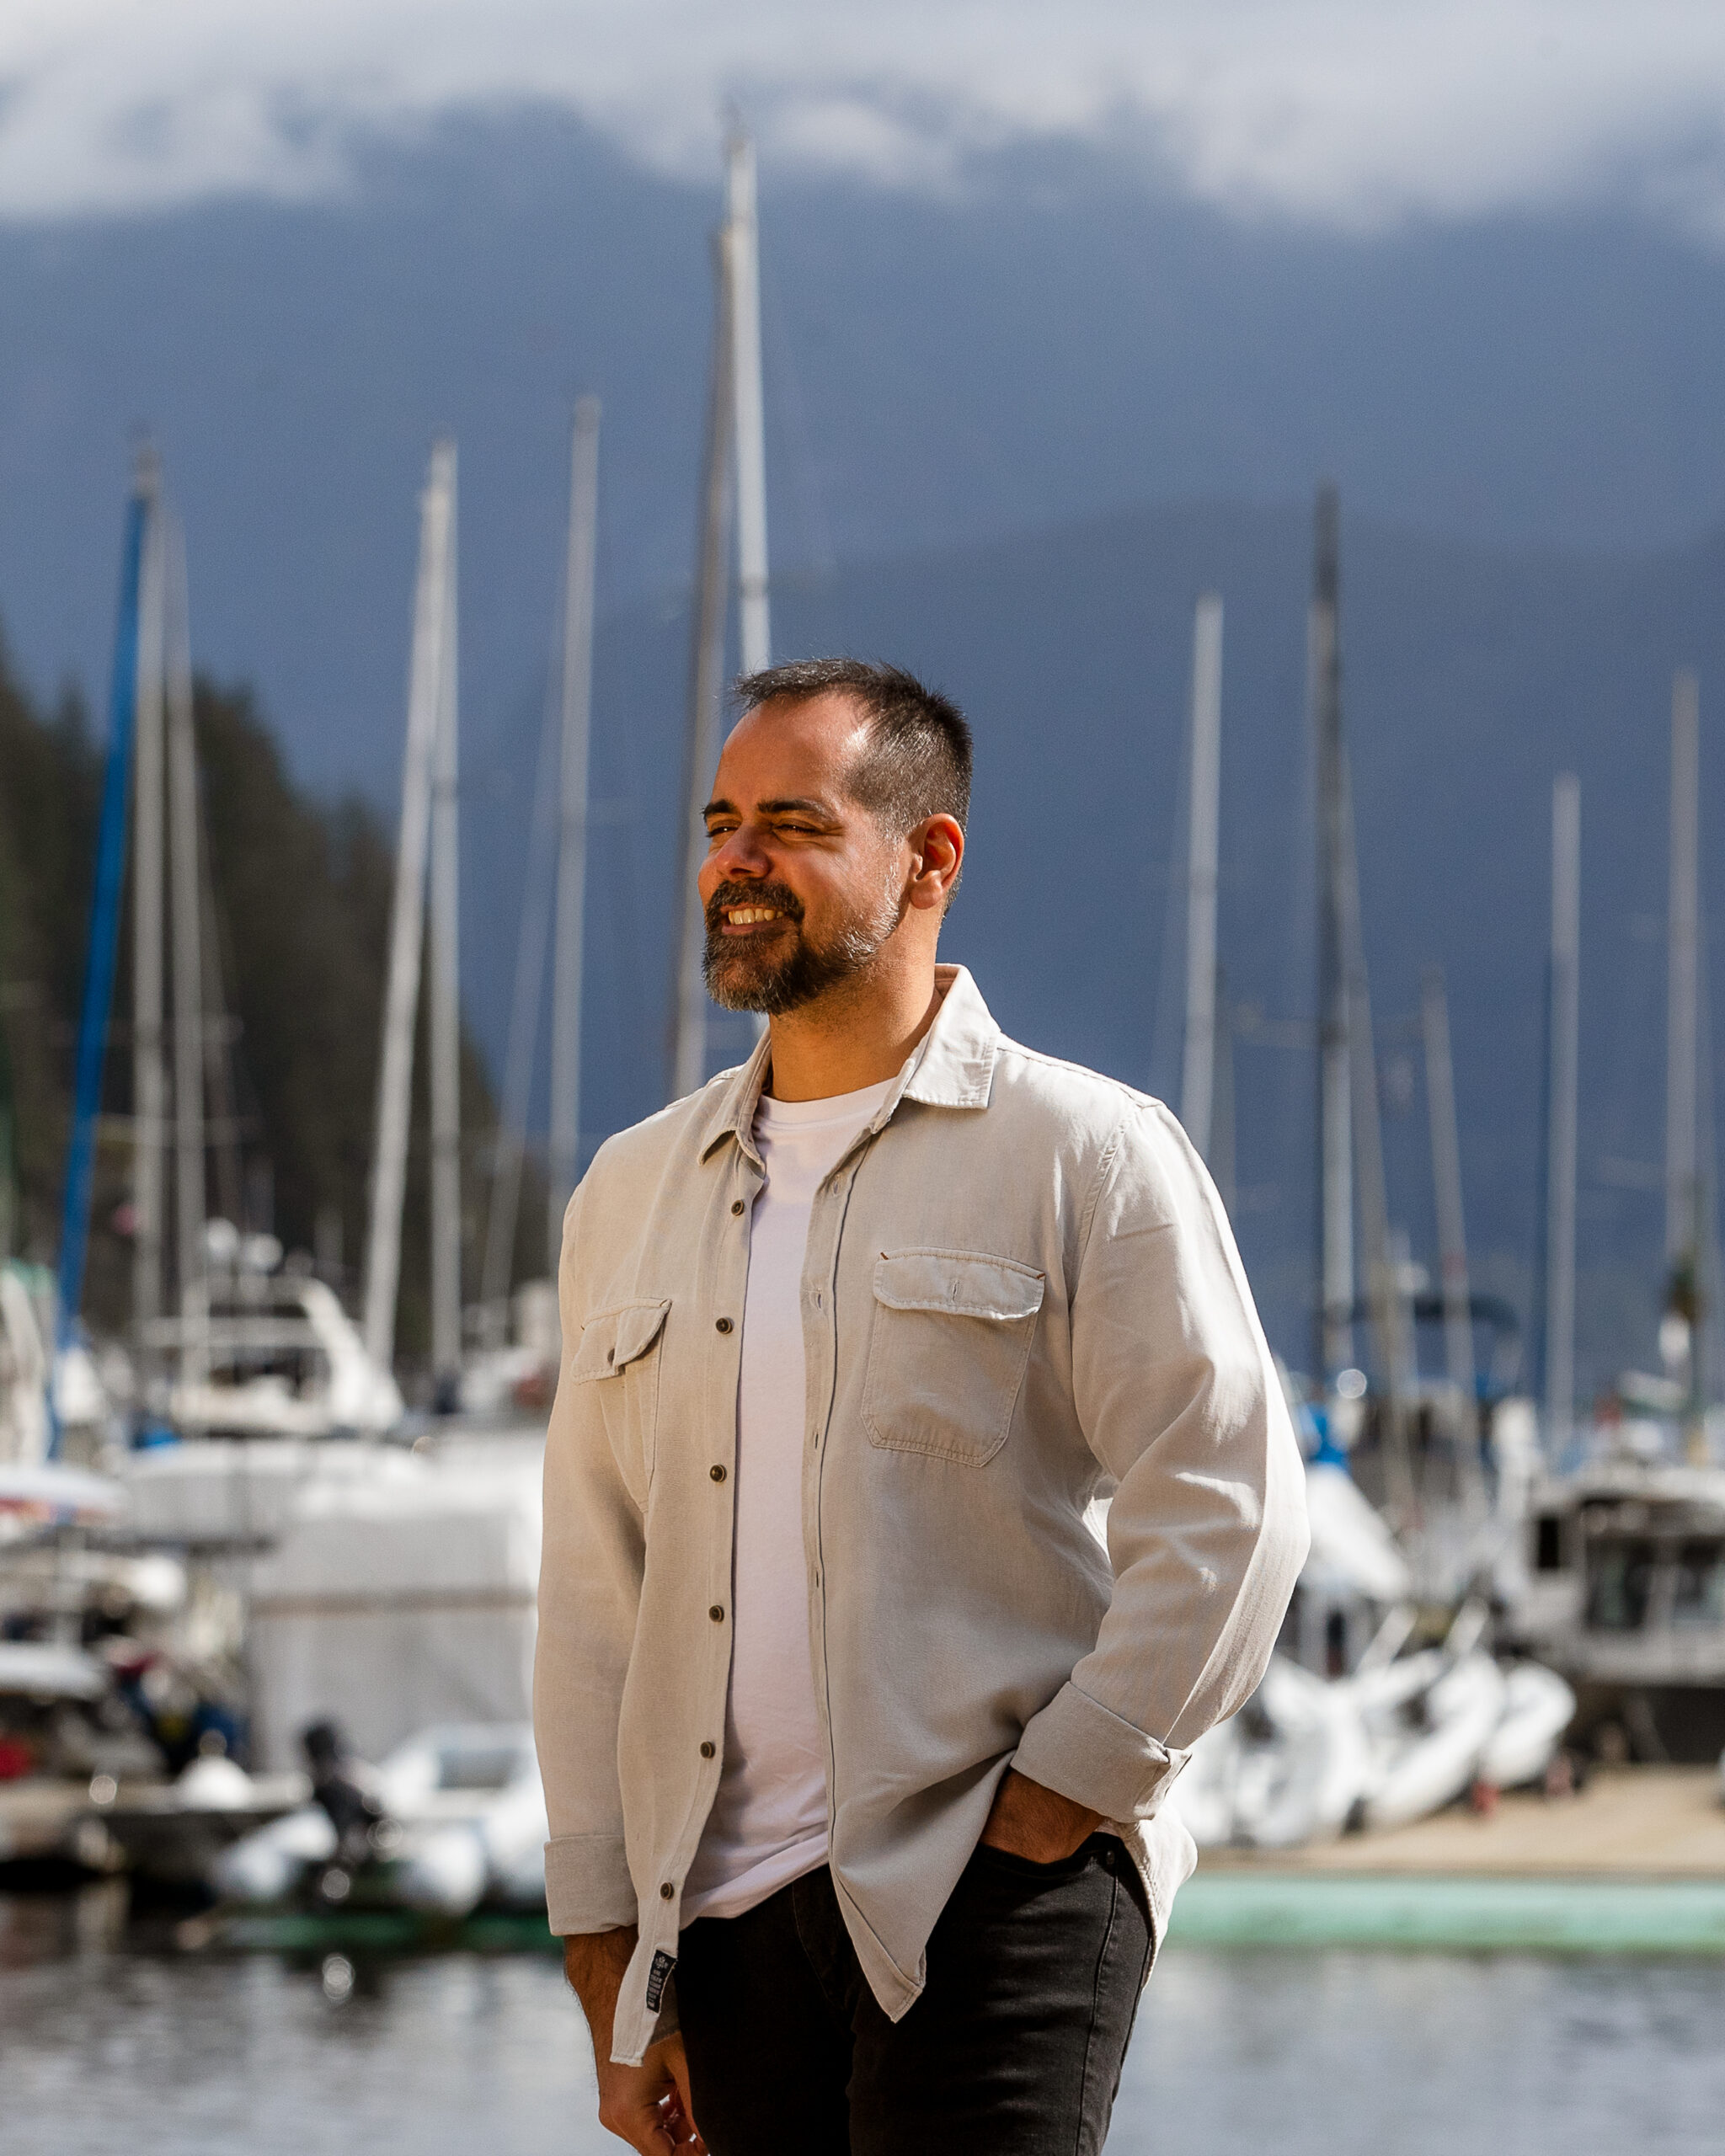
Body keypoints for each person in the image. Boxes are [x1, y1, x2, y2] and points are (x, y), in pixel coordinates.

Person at [535, 659, 1309, 2154]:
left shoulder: (1086, 1153)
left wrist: (1068, 1795)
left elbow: (1231, 1506)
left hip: (997, 1878)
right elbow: (591, 1587)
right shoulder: (628, 1193)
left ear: (928, 856)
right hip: (727, 1918)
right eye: (720, 821)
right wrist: (603, 1936)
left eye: (793, 824)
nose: (737, 861)